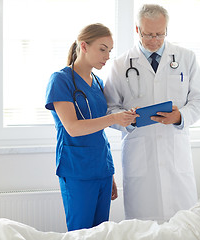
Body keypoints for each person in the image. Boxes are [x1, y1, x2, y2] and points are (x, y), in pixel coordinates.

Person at [0, 131, 200, 240]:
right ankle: (11, 234)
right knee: (109, 232)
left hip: (186, 236)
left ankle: (10, 235)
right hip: (175, 228)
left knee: (112, 234)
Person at [104, 4, 200, 222]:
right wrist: (128, 121)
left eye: (160, 34)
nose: (155, 40)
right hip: (140, 156)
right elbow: (109, 108)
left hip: (175, 154)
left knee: (183, 226)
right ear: (137, 30)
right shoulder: (121, 64)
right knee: (142, 228)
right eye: (148, 34)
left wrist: (180, 117)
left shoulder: (185, 58)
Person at [44, 23, 138, 231]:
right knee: (80, 232)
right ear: (84, 46)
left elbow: (98, 132)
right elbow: (73, 128)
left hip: (101, 169)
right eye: (102, 49)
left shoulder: (97, 82)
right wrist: (114, 118)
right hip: (76, 169)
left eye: (110, 51)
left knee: (101, 233)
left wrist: (109, 173)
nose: (107, 56)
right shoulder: (61, 80)